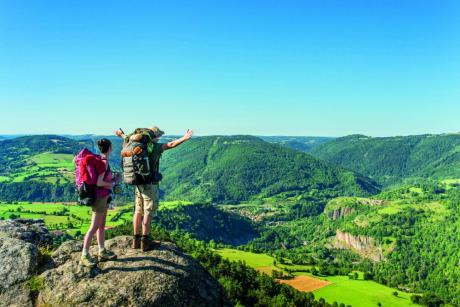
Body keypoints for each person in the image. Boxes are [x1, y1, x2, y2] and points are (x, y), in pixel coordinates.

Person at [115, 126, 193, 251]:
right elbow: (171, 144)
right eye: (159, 136)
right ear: (154, 136)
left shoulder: (135, 144)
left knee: (138, 211)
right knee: (148, 212)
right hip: (150, 184)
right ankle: (145, 241)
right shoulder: (154, 147)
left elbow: (127, 138)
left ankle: (136, 240)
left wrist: (121, 135)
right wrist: (185, 138)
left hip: (138, 182)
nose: (159, 138)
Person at [80, 138, 119, 267]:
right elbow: (99, 182)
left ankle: (102, 250)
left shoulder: (100, 160)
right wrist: (114, 182)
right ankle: (84, 255)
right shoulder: (104, 163)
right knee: (94, 227)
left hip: (104, 196)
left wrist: (112, 179)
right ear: (110, 148)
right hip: (100, 198)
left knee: (101, 225)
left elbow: (101, 180)